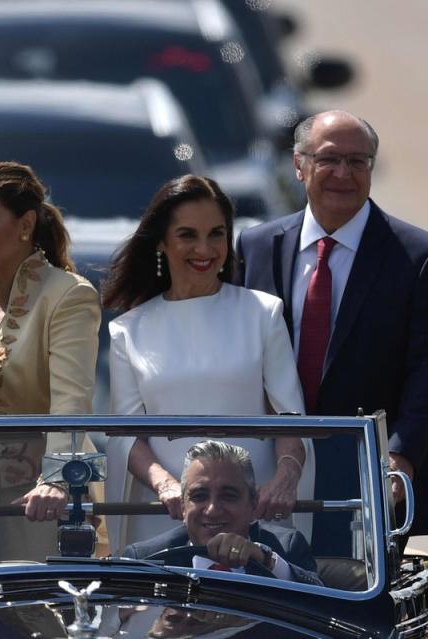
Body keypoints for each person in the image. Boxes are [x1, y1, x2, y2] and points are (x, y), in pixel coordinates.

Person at [234, 111, 428, 555]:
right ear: (299, 166)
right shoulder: (256, 246)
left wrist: (400, 459)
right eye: (329, 159)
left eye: (358, 162)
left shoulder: (419, 256)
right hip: (267, 477)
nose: (343, 174)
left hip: (364, 479)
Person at [102, 175, 311, 551]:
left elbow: (289, 419)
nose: (205, 248)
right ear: (162, 242)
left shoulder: (262, 312)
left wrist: (285, 477)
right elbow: (127, 438)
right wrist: (168, 486)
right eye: (187, 235)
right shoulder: (127, 331)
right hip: (166, 519)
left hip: (251, 515)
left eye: (216, 234)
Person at [0, 161, 101, 562]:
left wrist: (58, 482)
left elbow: (73, 400)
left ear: (25, 223)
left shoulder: (67, 295)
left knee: (35, 618)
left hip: (35, 501)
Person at [122, 441, 322, 586]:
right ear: (183, 506)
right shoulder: (145, 559)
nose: (212, 510)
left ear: (253, 504)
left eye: (228, 496)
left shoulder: (284, 547)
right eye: (200, 496)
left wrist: (266, 561)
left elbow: (323, 607)